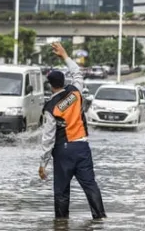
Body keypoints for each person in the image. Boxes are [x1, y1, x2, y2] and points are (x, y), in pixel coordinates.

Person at [38, 42, 106, 220]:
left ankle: (61, 224)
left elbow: (48, 138)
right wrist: (65, 56)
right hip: (82, 148)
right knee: (90, 185)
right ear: (64, 82)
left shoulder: (51, 107)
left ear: (50, 85)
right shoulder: (76, 92)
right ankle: (100, 219)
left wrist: (43, 164)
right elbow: (77, 72)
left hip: (63, 152)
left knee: (61, 191)